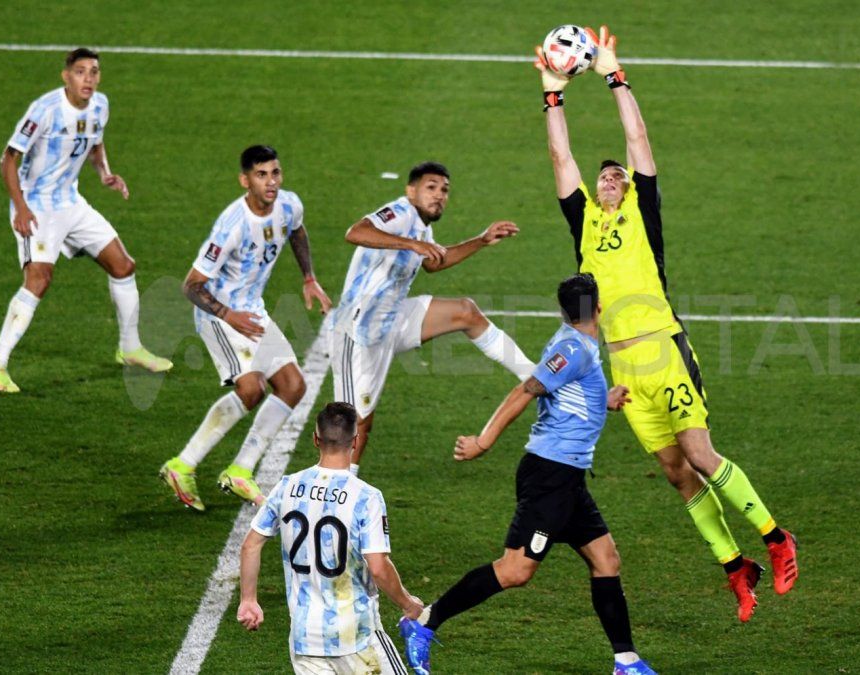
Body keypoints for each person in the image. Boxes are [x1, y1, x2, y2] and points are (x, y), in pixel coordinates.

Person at [536, 26, 798, 622]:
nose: (609, 177)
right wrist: (553, 95)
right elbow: (560, 157)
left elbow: (637, 137)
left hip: (662, 347)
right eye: (603, 175)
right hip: (624, 364)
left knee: (702, 455)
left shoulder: (641, 211)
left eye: (616, 175)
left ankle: (776, 537)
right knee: (677, 474)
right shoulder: (583, 223)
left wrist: (613, 76)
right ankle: (737, 568)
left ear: (629, 185)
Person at [399, 274, 657, 675]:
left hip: (567, 479)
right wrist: (483, 442)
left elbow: (562, 389)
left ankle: (626, 661)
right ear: (599, 308)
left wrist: (598, 400)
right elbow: (526, 391)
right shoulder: (575, 350)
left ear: (563, 312)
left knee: (606, 559)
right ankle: (424, 622)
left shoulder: (575, 345)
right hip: (549, 476)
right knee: (515, 570)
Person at [0, 47, 172, 393]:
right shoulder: (45, 110)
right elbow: (8, 160)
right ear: (66, 76)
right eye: (81, 72)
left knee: (123, 266)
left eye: (94, 72)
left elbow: (95, 143)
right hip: (37, 205)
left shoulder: (101, 105)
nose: (89, 78)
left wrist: (105, 174)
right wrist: (21, 208)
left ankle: (130, 348)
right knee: (39, 279)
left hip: (71, 202)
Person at [327, 161, 536, 474]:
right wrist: (411, 243)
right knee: (354, 422)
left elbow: (434, 262)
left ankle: (534, 376)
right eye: (431, 187)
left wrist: (481, 240)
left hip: (392, 319)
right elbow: (355, 232)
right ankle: (336, 491)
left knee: (465, 312)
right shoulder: (400, 213)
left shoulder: (422, 226)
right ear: (411, 191)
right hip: (356, 329)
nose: (439, 195)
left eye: (444, 190)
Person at [159, 145, 332, 511]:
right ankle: (182, 465)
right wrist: (226, 313)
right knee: (251, 388)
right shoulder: (232, 226)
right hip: (218, 316)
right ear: (245, 180)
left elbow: (297, 231)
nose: (271, 182)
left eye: (275, 173)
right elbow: (190, 285)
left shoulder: (289, 204)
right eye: (261, 175)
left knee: (293, 385)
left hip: (251, 311)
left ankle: (241, 470)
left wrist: (309, 277)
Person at [238, 402, 419, 675]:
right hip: (357, 637)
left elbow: (250, 544)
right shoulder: (366, 496)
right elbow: (379, 568)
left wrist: (248, 599)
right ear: (355, 441)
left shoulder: (287, 486)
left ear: (315, 439)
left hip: (305, 639)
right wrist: (408, 603)